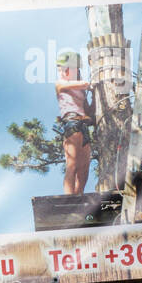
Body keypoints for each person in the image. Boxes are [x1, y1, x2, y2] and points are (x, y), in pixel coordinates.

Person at [55, 49, 92, 195]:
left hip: (83, 126)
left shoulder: (81, 91)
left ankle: (78, 197)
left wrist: (96, 98)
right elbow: (83, 84)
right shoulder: (60, 84)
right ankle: (69, 199)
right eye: (61, 69)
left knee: (84, 169)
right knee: (72, 164)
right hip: (72, 123)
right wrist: (90, 84)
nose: (63, 72)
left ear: (75, 69)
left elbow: (89, 111)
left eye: (66, 68)